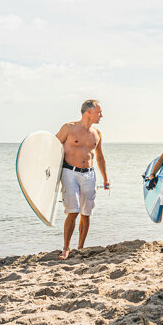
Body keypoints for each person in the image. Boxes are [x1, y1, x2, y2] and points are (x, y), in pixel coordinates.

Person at [56, 99, 109, 260]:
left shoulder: (97, 133)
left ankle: (80, 247)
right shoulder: (69, 128)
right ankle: (66, 248)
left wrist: (106, 179)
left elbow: (99, 157)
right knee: (73, 211)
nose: (101, 115)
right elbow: (52, 147)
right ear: (88, 112)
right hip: (69, 172)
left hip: (89, 174)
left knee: (86, 213)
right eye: (98, 112)